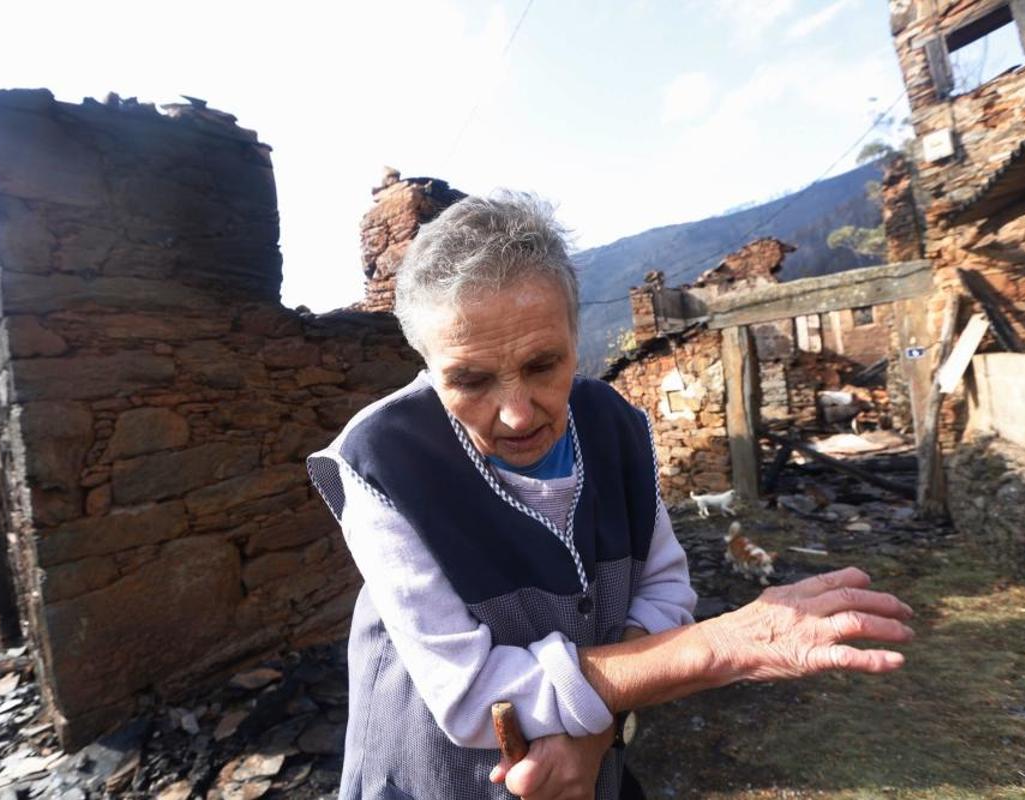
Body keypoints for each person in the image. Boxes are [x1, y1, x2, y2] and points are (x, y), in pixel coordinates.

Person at [307, 193, 914, 800]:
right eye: (470, 380)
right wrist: (717, 646)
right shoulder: (379, 461)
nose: (517, 415)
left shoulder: (614, 426)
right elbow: (471, 697)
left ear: (576, 335)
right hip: (430, 780)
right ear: (426, 362)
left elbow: (663, 588)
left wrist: (591, 737)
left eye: (544, 365)